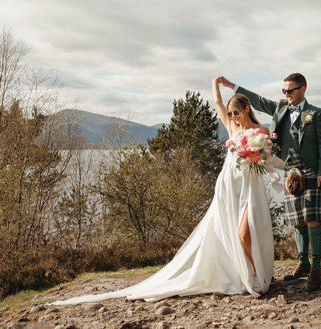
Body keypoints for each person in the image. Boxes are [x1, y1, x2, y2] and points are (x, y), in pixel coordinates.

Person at [49, 77, 274, 305]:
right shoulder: (231, 128)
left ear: (247, 109)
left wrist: (257, 155)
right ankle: (244, 273)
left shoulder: (261, 130)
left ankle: (256, 274)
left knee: (246, 232)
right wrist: (217, 82)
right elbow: (216, 101)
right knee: (229, 232)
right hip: (228, 185)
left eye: (236, 112)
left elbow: (267, 159)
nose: (233, 117)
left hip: (250, 186)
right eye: (231, 114)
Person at [220, 73, 321, 292]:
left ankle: (316, 270)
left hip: (312, 170)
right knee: (298, 220)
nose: (287, 94)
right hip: (290, 171)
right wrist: (232, 86)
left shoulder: (316, 113)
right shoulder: (281, 107)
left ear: (303, 89)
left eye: (291, 90)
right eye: (285, 91)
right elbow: (258, 100)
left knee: (313, 219)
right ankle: (303, 263)